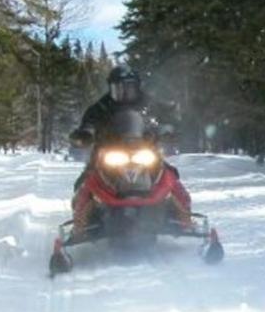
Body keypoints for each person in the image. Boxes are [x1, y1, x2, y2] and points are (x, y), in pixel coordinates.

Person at [68, 64, 192, 235]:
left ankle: (184, 217)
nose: (124, 92)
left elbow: (167, 115)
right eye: (118, 88)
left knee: (169, 175)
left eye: (129, 87)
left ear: (137, 86)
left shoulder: (148, 103)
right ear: (111, 88)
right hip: (108, 151)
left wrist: (168, 129)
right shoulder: (101, 107)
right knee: (87, 179)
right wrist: (86, 133)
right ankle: (80, 223)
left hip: (144, 149)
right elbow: (89, 122)